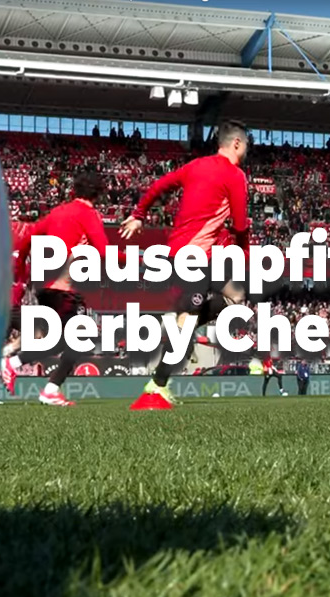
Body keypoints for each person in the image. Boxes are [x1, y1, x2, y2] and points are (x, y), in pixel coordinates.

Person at [120, 120, 251, 408]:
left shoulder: (195, 166)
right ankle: (157, 384)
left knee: (236, 296)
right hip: (191, 257)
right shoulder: (235, 175)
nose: (247, 150)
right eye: (246, 145)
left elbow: (159, 185)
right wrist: (244, 255)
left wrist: (139, 214)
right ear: (237, 143)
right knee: (188, 322)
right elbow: (241, 225)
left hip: (192, 256)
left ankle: (176, 328)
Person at [13, 171, 115, 407]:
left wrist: (21, 272)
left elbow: (27, 240)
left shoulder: (57, 212)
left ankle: (31, 377)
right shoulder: (88, 214)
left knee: (61, 340)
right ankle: (35, 380)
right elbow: (104, 251)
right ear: (98, 194)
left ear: (74, 190)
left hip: (44, 288)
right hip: (64, 289)